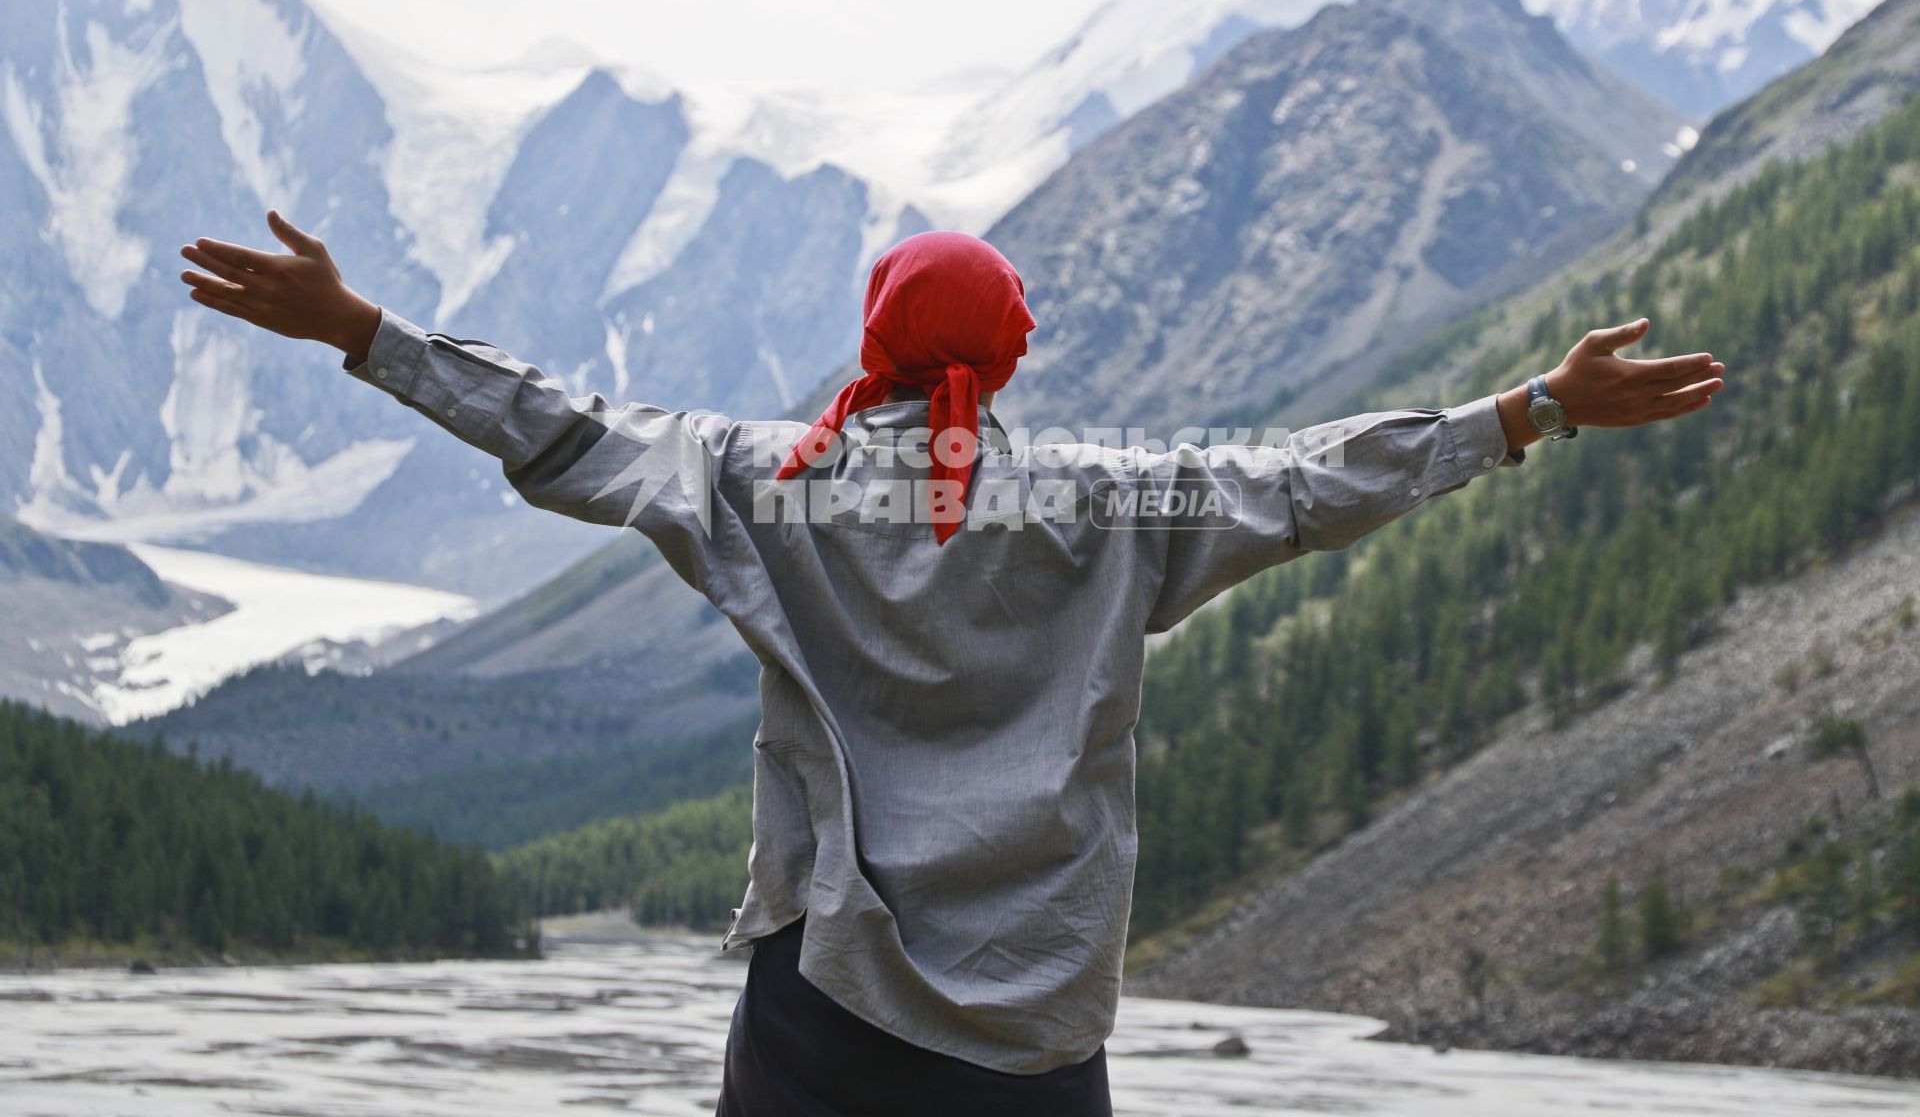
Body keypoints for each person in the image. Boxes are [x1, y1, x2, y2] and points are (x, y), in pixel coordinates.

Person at [178, 212, 1725, 1115]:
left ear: (879, 338)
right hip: (1043, 1019)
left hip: (824, 991)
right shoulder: (1108, 503)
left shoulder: (762, 479)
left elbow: (562, 431)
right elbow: (1312, 482)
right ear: (1014, 350)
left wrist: (363, 330)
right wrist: (1532, 408)